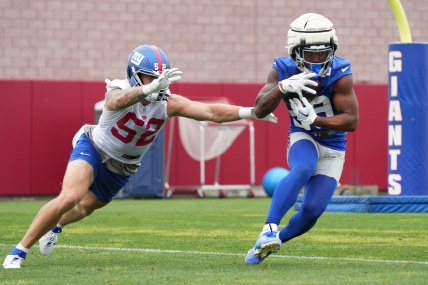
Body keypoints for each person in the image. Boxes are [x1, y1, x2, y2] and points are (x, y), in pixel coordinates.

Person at [2, 44, 278, 269]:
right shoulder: (119, 88)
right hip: (94, 148)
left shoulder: (167, 102)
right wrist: (146, 89)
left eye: (159, 77)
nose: (156, 82)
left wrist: (251, 112)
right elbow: (115, 102)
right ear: (135, 75)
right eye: (149, 76)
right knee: (70, 196)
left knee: (86, 207)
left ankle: (56, 226)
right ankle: (19, 251)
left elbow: (209, 112)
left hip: (123, 166)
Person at [245, 13, 359, 265]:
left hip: (333, 147)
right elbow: (260, 109)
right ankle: (269, 228)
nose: (318, 59)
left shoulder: (340, 73)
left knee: (312, 212)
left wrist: (316, 119)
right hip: (302, 136)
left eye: (323, 52)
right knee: (304, 167)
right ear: (296, 51)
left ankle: (270, 244)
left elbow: (352, 121)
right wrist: (282, 87)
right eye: (311, 54)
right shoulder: (282, 69)